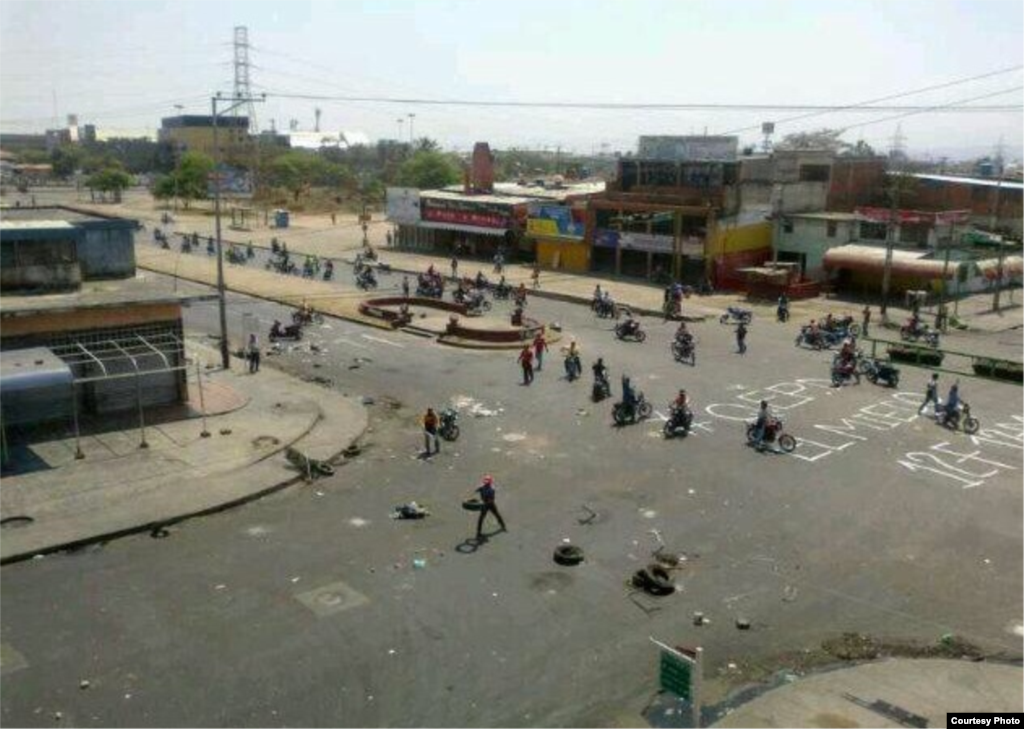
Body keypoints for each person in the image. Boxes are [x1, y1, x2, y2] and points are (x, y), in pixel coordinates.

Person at [472, 474, 506, 541]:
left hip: (490, 505)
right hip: (484, 504)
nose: (486, 483)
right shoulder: (482, 487)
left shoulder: (492, 489)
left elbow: (491, 499)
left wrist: (484, 503)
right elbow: (475, 491)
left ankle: (503, 525)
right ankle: (478, 532)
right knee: (481, 519)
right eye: (485, 482)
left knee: (497, 514)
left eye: (487, 482)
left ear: (490, 483)